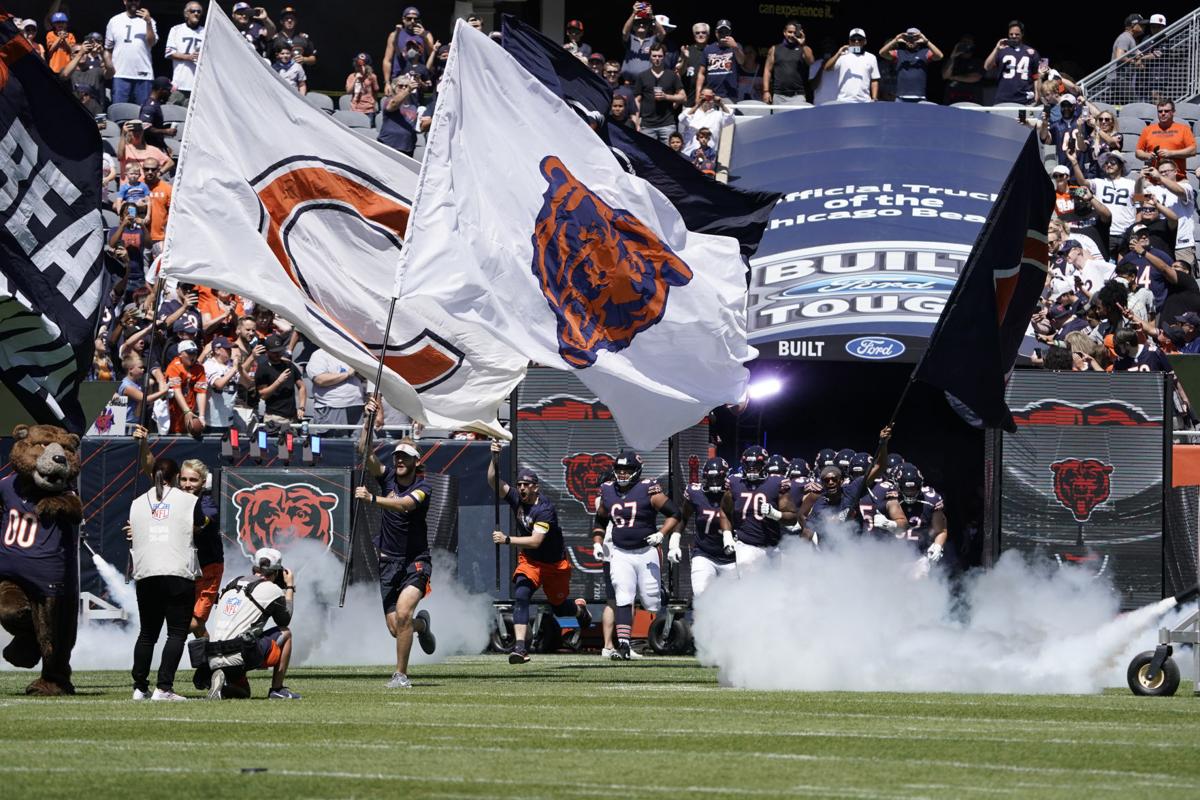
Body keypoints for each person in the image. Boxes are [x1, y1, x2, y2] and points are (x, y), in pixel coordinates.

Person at [486, 443, 591, 664]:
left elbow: (535, 541)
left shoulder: (545, 509)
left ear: (536, 487)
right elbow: (494, 482)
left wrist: (507, 539)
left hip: (554, 565)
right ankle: (521, 648)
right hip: (531, 562)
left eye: (526, 485)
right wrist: (494, 458)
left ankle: (581, 611)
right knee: (521, 595)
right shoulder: (517, 498)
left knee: (561, 608)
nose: (521, 488)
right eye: (519, 484)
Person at [353, 412, 437, 689]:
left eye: (405, 457)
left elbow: (405, 505)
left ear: (417, 461)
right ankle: (421, 626)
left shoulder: (424, 486)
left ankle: (400, 675)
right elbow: (363, 452)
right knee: (396, 628)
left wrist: (372, 498)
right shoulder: (386, 477)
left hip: (416, 561)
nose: (399, 460)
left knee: (402, 615)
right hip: (388, 562)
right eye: (397, 456)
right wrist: (368, 420)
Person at [128, 455, 206, 701]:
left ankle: (140, 687)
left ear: (153, 476)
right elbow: (201, 523)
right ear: (175, 478)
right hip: (177, 571)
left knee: (147, 634)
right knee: (176, 632)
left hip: (145, 572)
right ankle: (164, 688)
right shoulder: (188, 500)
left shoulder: (137, 502)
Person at [591, 450, 679, 659]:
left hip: (646, 551)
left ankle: (661, 591)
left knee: (652, 603)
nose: (622, 474)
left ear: (636, 471)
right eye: (619, 470)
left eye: (627, 470)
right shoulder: (608, 490)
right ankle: (623, 645)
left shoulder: (648, 489)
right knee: (623, 596)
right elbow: (600, 520)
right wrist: (597, 542)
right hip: (620, 553)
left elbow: (675, 512)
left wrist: (661, 534)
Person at [204, 548, 299, 700]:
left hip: (212, 655)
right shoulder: (272, 589)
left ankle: (224, 684)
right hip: (239, 654)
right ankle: (277, 689)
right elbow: (284, 620)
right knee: (286, 632)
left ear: (254, 568)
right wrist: (289, 587)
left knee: (243, 693)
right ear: (276, 572)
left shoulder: (231, 582)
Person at [801, 427, 892, 544]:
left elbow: (880, 467)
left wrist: (883, 443)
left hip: (854, 551)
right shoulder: (819, 506)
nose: (830, 482)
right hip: (829, 555)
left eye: (834, 479)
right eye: (826, 480)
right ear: (822, 483)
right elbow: (806, 532)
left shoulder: (852, 490)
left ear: (841, 480)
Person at [718, 446, 797, 574]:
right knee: (750, 587)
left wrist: (774, 513)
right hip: (746, 546)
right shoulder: (734, 482)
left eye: (757, 464)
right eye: (748, 464)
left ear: (765, 464)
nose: (752, 468)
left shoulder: (777, 483)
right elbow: (724, 511)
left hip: (773, 547)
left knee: (775, 589)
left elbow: (792, 518)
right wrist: (727, 536)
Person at [676, 457, 736, 597]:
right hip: (704, 554)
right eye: (711, 478)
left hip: (732, 557)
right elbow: (683, 517)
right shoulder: (696, 493)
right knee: (701, 596)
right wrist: (674, 541)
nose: (714, 482)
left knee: (732, 601)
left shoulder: (735, 492)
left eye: (718, 478)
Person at [876, 465, 949, 579]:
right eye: (906, 488)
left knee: (919, 585)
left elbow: (941, 531)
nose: (910, 492)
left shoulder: (930, 500)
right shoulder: (889, 498)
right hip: (892, 556)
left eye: (913, 488)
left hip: (920, 556)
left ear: (920, 486)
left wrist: (938, 545)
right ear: (898, 487)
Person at [1140, 162, 1197, 267]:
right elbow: (1137, 198)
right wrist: (1140, 179)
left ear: (1175, 171)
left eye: (1166, 171)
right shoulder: (1153, 189)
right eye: (1161, 172)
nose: (1163, 174)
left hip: (1182, 243)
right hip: (1161, 243)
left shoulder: (1185, 186)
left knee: (1183, 279)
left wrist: (1160, 178)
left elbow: (1180, 192)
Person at [1079, 152, 1136, 257]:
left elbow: (1140, 200)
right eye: (1106, 163)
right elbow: (1082, 182)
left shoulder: (1132, 184)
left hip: (1126, 233)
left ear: (1121, 165)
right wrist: (1074, 163)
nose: (1108, 165)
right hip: (1106, 232)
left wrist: (1141, 181)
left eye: (1112, 163)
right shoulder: (1099, 182)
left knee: (1125, 268)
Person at [104, 0, 158, 106]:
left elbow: (151, 42)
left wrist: (148, 22)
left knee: (141, 113)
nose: (133, 3)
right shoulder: (114, 21)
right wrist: (109, 68)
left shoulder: (149, 21)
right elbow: (108, 48)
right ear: (124, 1)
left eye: (136, 0)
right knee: (119, 111)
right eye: (130, 0)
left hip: (143, 75)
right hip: (120, 74)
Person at [633, 43, 685, 144]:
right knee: (647, 156)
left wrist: (666, 97)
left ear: (664, 57)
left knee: (669, 156)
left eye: (660, 56)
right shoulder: (642, 76)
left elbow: (683, 97)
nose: (657, 58)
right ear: (650, 57)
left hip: (667, 124)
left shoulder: (672, 75)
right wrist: (637, 123)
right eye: (654, 56)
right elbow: (637, 100)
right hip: (647, 125)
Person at [306, 347, 364, 436]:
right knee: (335, 445)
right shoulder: (319, 354)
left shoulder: (351, 353)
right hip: (332, 406)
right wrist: (347, 374)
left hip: (356, 405)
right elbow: (320, 380)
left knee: (356, 445)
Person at [878, 28, 943, 102]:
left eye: (914, 38)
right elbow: (882, 53)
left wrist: (926, 41)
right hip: (901, 97)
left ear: (919, 39)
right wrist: (895, 40)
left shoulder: (925, 52)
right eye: (908, 38)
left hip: (920, 97)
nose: (911, 41)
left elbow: (939, 56)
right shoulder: (899, 53)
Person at [255, 333, 305, 426]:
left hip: (292, 417)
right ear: (267, 351)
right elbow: (263, 395)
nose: (277, 354)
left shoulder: (288, 365)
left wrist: (301, 407)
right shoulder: (263, 368)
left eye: (279, 351)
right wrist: (278, 381)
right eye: (274, 352)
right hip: (274, 417)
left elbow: (301, 386)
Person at [984, 20, 1039, 105]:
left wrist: (1037, 95)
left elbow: (1036, 76)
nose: (1013, 36)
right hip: (1004, 97)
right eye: (1011, 34)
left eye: (1017, 34)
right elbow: (987, 67)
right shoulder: (1002, 49)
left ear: (1022, 34)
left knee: (1024, 119)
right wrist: (996, 48)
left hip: (1025, 99)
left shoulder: (1031, 52)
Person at [1136, 101, 1197, 176]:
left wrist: (1171, 153)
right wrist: (1148, 155)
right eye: (1160, 111)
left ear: (1173, 112)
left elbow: (1192, 151)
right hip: (1153, 179)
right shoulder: (1147, 130)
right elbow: (1138, 152)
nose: (1163, 113)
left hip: (1177, 179)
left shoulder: (1184, 129)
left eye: (1167, 111)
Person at [762, 21, 813, 105]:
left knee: (798, 118)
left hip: (798, 95)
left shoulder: (803, 48)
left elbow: (811, 61)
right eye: (789, 32)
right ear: (784, 33)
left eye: (794, 32)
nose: (792, 35)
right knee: (778, 118)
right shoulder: (775, 49)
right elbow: (767, 70)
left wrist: (803, 44)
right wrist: (766, 91)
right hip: (779, 95)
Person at [823, 28, 879, 103]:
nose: (856, 41)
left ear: (865, 41)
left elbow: (874, 79)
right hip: (844, 100)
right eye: (853, 39)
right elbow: (826, 68)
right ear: (849, 41)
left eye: (859, 39)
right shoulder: (842, 55)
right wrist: (838, 53)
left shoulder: (871, 57)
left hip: (864, 101)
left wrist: (874, 98)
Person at [164, 339, 207, 435]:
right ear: (180, 354)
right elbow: (177, 391)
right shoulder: (174, 367)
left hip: (190, 407)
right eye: (189, 353)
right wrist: (186, 411)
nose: (193, 356)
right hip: (173, 410)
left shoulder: (199, 368)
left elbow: (201, 392)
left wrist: (202, 415)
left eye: (195, 353)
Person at [164, 2, 205, 105]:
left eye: (199, 12)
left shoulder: (205, 32)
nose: (196, 13)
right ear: (186, 14)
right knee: (174, 115)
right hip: (179, 84)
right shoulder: (176, 29)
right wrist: (188, 57)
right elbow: (169, 53)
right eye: (193, 11)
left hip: (197, 86)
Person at [383, 6, 436, 85]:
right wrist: (387, 82)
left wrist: (424, 37)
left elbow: (432, 54)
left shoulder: (426, 35)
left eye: (415, 19)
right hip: (399, 77)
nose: (412, 21)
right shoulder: (395, 35)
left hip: (417, 78)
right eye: (409, 18)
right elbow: (387, 60)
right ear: (403, 19)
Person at [700, 19, 747, 101]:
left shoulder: (736, 46)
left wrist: (735, 47)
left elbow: (742, 61)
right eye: (721, 31)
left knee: (728, 114)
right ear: (716, 33)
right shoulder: (708, 49)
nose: (723, 34)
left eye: (726, 32)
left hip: (730, 95)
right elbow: (701, 73)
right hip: (710, 94)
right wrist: (699, 92)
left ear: (730, 33)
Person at [202, 336, 241, 434]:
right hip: (213, 421)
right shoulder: (209, 365)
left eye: (230, 348)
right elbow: (219, 384)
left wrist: (240, 368)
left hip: (229, 418)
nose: (230, 351)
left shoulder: (232, 365)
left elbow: (248, 384)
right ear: (217, 350)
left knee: (228, 449)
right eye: (227, 348)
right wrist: (234, 368)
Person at [620, 3, 665, 83]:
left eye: (644, 23)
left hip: (648, 83)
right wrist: (634, 13)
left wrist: (652, 16)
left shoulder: (653, 40)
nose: (641, 25)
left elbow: (663, 33)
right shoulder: (630, 39)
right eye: (637, 23)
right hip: (629, 83)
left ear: (648, 26)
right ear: (633, 26)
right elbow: (624, 32)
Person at [941, 35, 984, 104]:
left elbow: (975, 77)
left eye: (969, 43)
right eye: (964, 43)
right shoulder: (951, 60)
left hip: (971, 100)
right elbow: (945, 75)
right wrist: (952, 57)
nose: (966, 45)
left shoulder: (978, 61)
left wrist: (953, 77)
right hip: (952, 100)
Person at [676, 21, 709, 106]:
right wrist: (685, 59)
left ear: (708, 34)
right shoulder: (687, 50)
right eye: (697, 33)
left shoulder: (713, 51)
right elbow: (680, 73)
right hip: (689, 97)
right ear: (694, 35)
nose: (700, 35)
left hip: (708, 96)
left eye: (703, 32)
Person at [346, 53, 381, 126]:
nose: (359, 67)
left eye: (362, 65)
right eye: (357, 64)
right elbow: (348, 91)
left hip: (368, 110)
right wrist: (356, 78)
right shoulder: (352, 76)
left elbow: (376, 90)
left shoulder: (372, 77)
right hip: (355, 109)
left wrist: (372, 79)